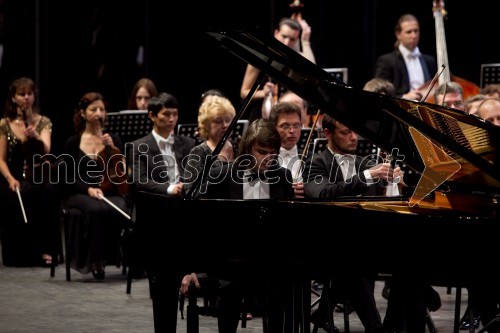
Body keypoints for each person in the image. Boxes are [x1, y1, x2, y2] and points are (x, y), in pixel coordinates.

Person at [182, 119, 294, 333]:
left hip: (267, 261)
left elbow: (287, 226)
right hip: (228, 261)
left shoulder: (282, 177)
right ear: (247, 148)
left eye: (273, 153)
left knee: (282, 284)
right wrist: (192, 267)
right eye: (262, 152)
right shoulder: (222, 175)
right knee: (231, 286)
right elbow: (200, 222)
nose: (268, 159)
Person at [303, 113, 401, 333]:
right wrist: (367, 176)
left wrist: (396, 184)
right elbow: (324, 194)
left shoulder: (365, 164)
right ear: (328, 134)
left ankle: (325, 311)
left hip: (364, 241)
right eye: (346, 132)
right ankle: (376, 329)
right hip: (325, 243)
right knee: (352, 260)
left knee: (408, 261)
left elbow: (379, 204)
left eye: (355, 131)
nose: (354, 137)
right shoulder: (314, 163)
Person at [62, 92, 131, 279]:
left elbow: (121, 171)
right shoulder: (73, 142)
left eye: (102, 109)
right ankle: (96, 260)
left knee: (119, 206)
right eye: (93, 109)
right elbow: (67, 177)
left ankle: (115, 257)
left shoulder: (113, 139)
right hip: (81, 191)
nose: (98, 113)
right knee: (96, 209)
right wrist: (88, 189)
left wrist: (112, 149)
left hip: (108, 189)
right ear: (83, 113)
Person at [0, 77, 59, 267]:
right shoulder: (4, 124)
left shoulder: (43, 122)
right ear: (14, 98)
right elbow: (1, 159)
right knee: (19, 195)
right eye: (21, 94)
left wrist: (36, 138)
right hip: (14, 176)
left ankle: (46, 249)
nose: (26, 98)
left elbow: (47, 150)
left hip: (36, 174)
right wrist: (10, 179)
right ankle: (24, 254)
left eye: (29, 94)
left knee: (46, 191)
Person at [240, 17, 316, 124]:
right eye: (284, 36)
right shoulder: (260, 57)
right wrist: (264, 93)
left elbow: (313, 74)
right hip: (262, 117)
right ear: (276, 33)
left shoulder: (295, 60)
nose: (287, 42)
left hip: (287, 119)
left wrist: (305, 41)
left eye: (292, 39)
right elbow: (244, 92)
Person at [127, 92, 195, 198]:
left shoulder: (188, 143)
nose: (172, 119)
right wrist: (170, 189)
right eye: (166, 114)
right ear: (152, 116)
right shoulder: (138, 147)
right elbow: (140, 180)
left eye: (175, 114)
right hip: (157, 200)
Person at [183, 94, 237, 197]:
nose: (225, 125)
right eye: (218, 121)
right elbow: (190, 192)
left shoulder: (238, 148)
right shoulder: (199, 152)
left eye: (228, 120)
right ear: (206, 125)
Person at [374, 14, 437, 100]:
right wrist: (404, 97)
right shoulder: (386, 61)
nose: (414, 36)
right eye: (409, 32)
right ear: (398, 34)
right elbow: (379, 93)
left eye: (416, 31)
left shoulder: (430, 60)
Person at [268, 101, 305, 198]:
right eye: (285, 126)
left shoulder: (312, 157)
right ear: (273, 128)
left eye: (296, 126)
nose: (292, 131)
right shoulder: (266, 158)